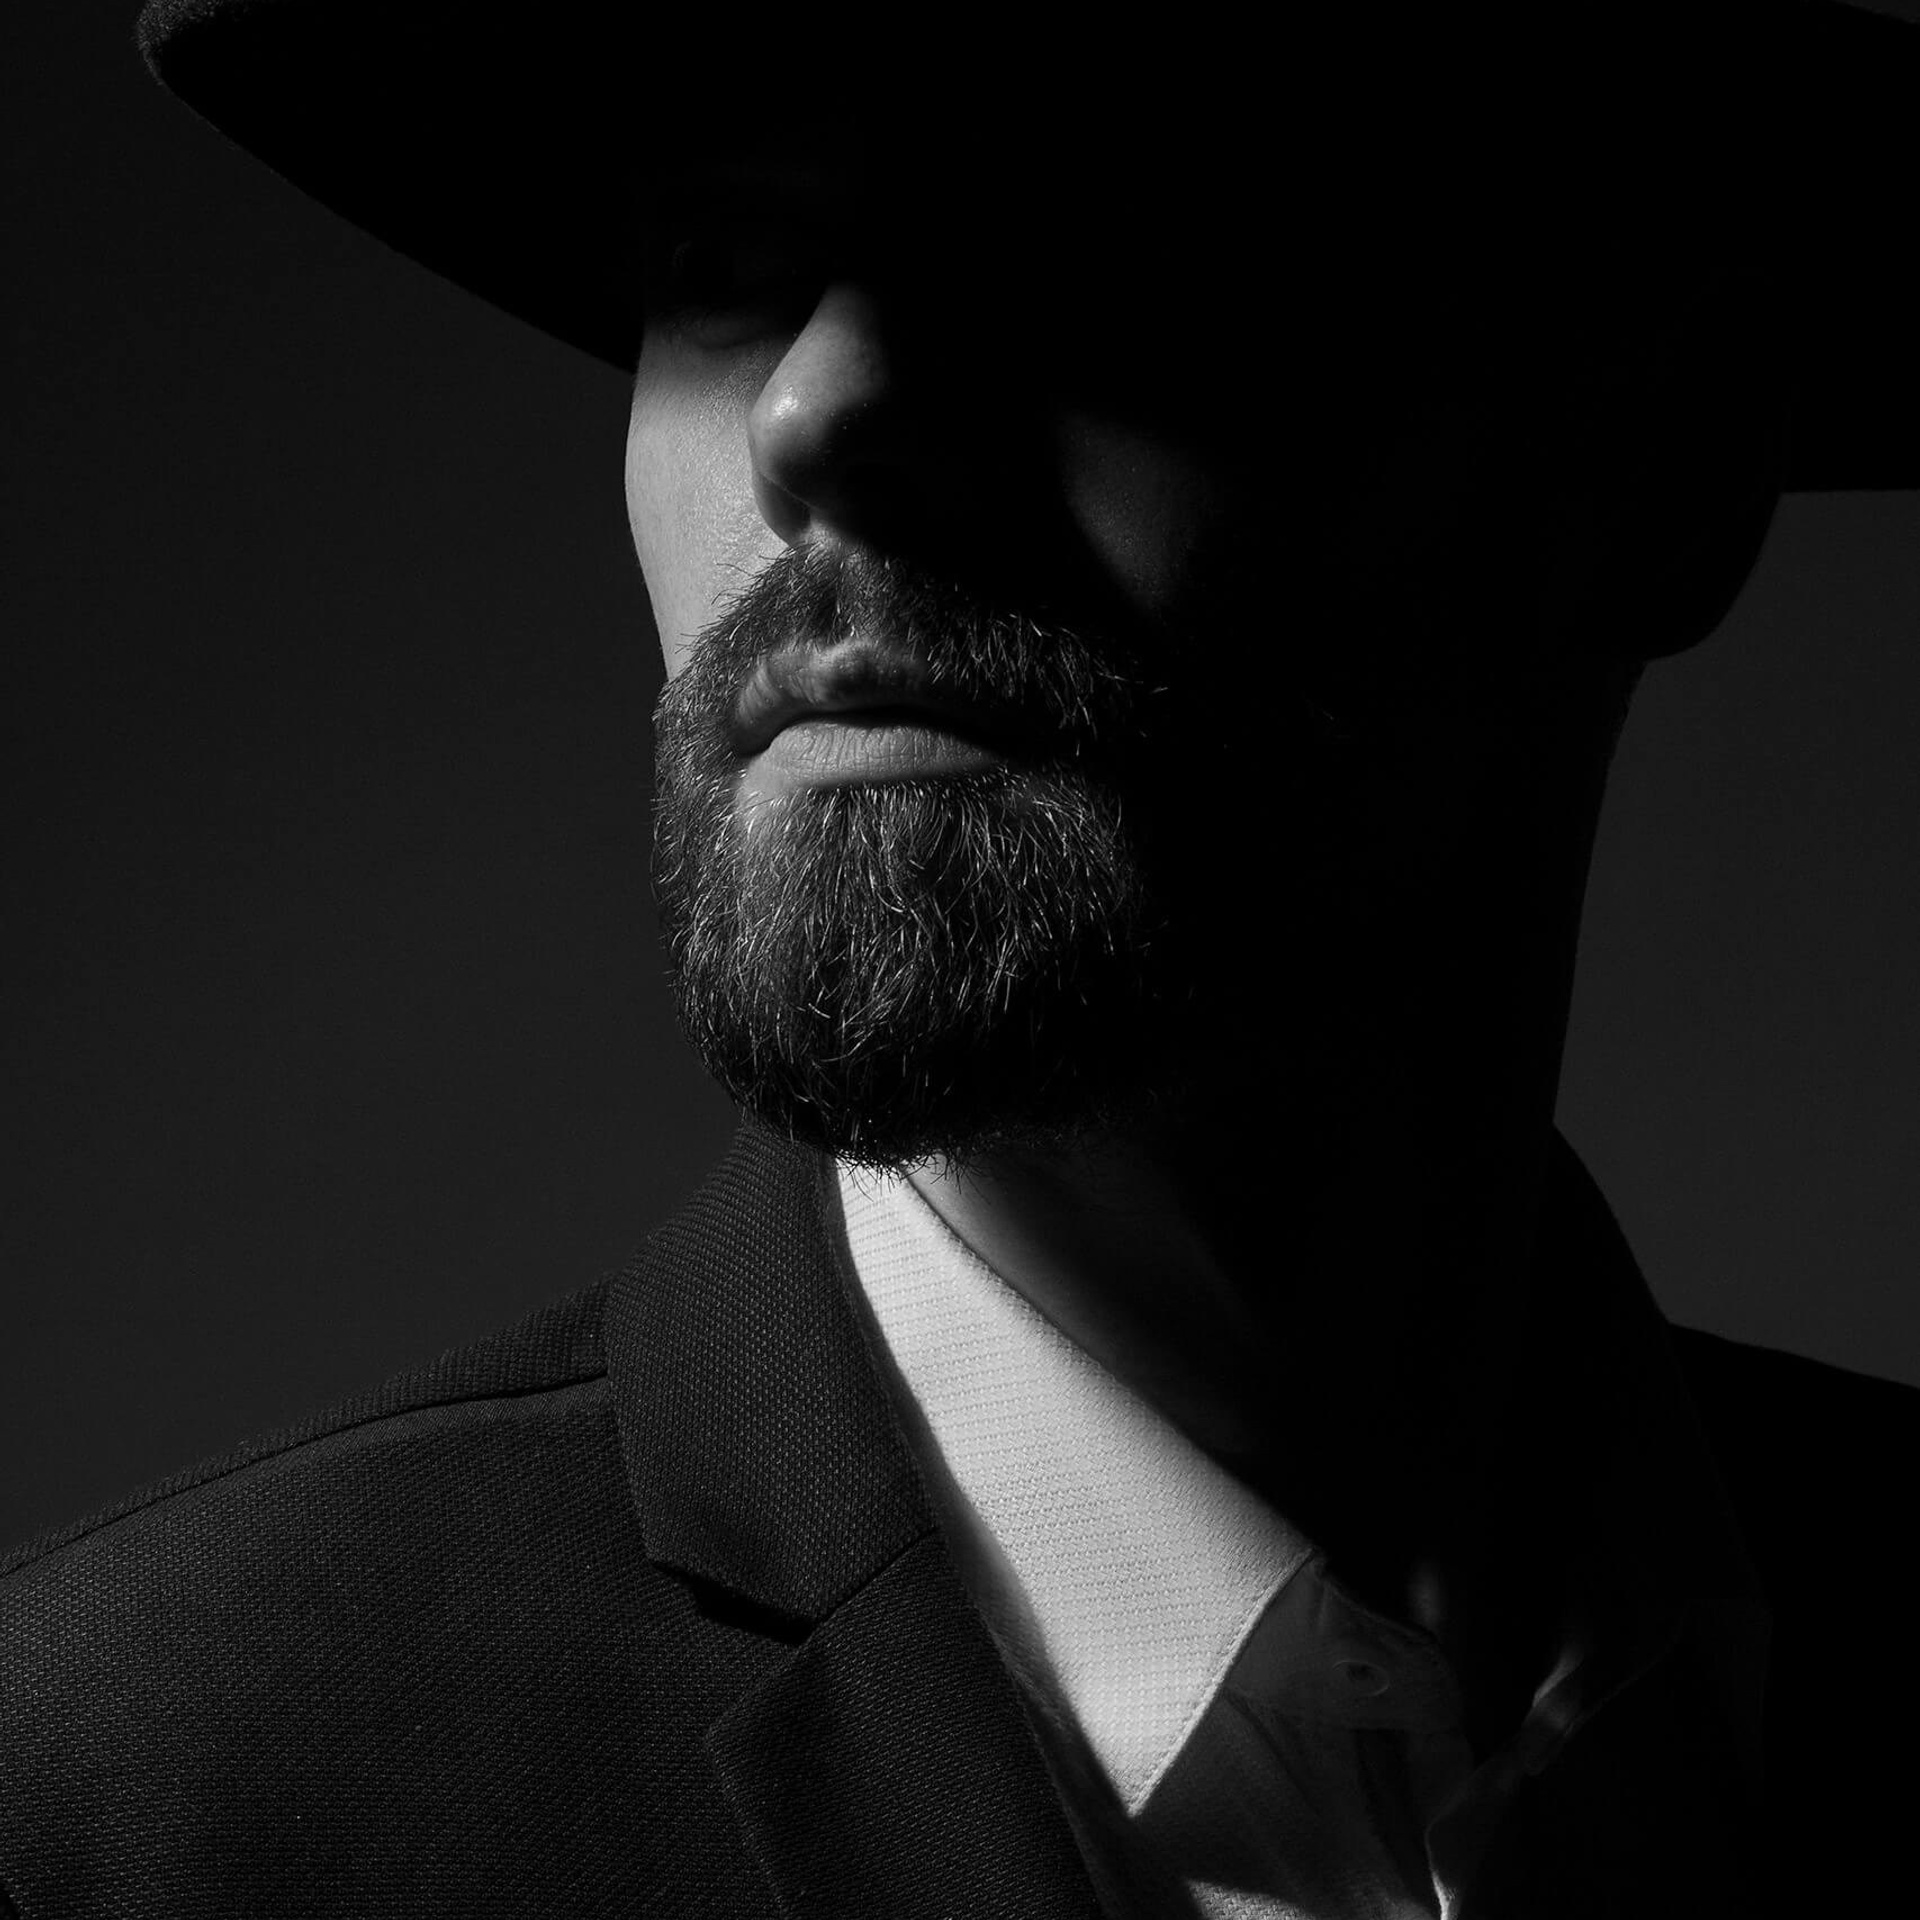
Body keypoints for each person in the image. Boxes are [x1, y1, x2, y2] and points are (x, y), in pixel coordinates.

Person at [3, 2, 1917, 1914]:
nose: (814, 417)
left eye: (1094, 235)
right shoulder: (130, 1809)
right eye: (724, 268)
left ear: (1667, 460)